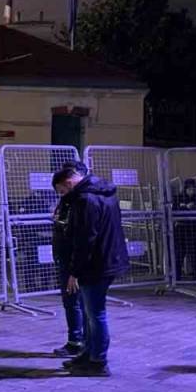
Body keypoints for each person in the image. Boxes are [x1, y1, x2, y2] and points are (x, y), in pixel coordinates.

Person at [52, 161, 129, 377]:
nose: (63, 196)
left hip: (96, 263)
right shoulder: (105, 193)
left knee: (95, 313)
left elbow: (85, 238)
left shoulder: (85, 200)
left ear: (68, 182)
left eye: (62, 191)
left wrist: (74, 272)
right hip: (108, 259)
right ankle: (89, 353)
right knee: (91, 312)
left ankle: (98, 361)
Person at [50, 161, 89, 357]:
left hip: (74, 261)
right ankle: (80, 340)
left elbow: (80, 237)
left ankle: (78, 341)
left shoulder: (81, 202)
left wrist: (75, 270)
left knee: (75, 301)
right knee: (74, 302)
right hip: (67, 258)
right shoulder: (68, 202)